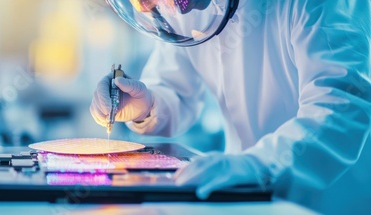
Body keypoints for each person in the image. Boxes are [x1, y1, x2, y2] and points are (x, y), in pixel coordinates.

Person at [90, 0, 370, 213]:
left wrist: (260, 165)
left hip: (324, 197)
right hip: (238, 192)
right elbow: (174, 85)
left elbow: (341, 106)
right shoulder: (183, 9)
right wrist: (146, 104)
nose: (150, 5)